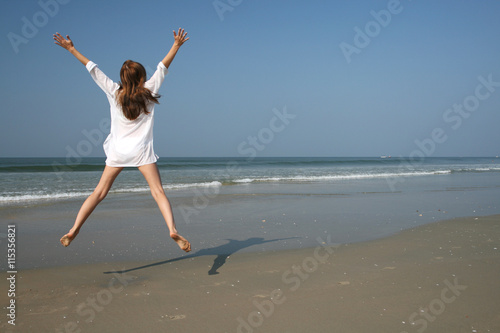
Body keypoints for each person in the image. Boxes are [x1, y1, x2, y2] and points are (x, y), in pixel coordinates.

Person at [53, 29, 191, 252]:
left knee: (98, 193)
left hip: (117, 152)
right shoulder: (149, 90)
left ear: (123, 78)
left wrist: (71, 49)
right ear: (142, 78)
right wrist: (176, 45)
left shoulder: (114, 91)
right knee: (158, 192)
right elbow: (163, 67)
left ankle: (74, 228)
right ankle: (172, 229)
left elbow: (92, 69)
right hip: (142, 153)